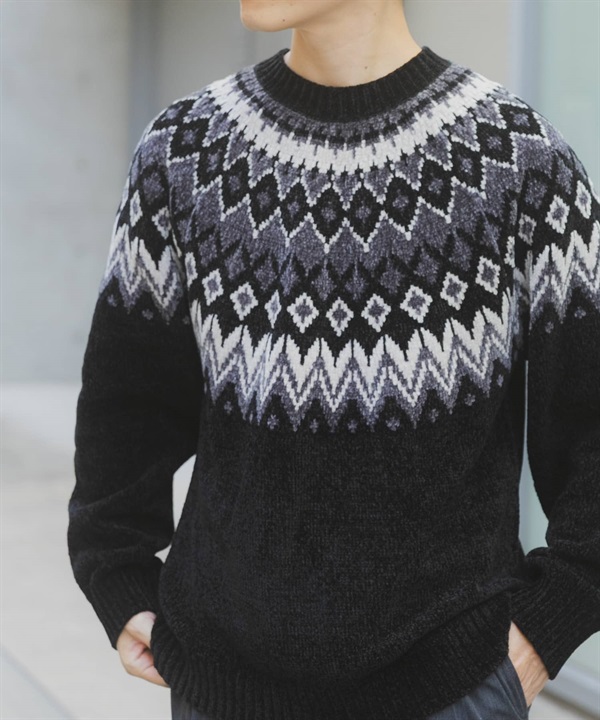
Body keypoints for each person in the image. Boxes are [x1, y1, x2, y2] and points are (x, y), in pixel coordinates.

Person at [67, 0, 600, 718]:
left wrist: (544, 629)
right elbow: (125, 406)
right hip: (224, 689)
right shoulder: (185, 150)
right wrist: (117, 576)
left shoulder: (517, 158)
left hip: (452, 689)